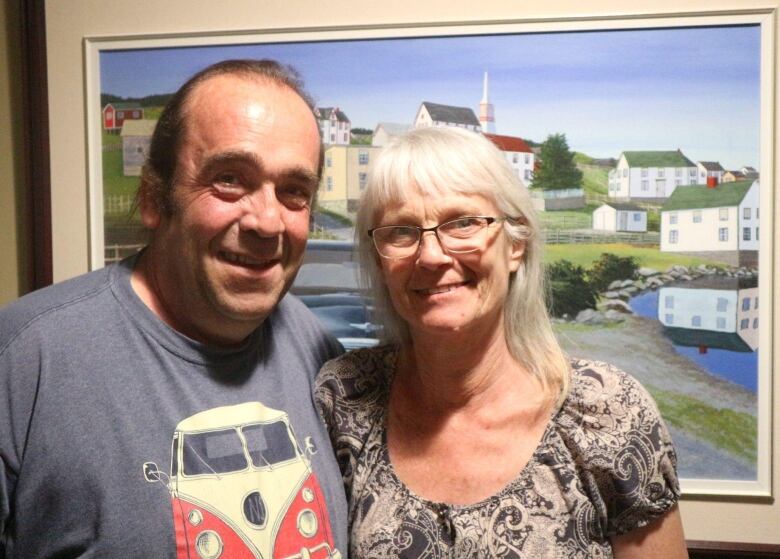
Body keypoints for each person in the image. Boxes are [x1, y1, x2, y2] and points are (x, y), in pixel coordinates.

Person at [0, 60, 346, 558]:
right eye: (229, 179)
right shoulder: (25, 359)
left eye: (294, 191)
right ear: (152, 198)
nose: (268, 222)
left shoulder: (316, 349)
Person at [315, 127, 687, 558]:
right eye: (401, 231)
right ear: (380, 262)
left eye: (463, 222)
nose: (432, 256)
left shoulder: (609, 414)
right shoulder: (344, 401)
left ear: (515, 244)